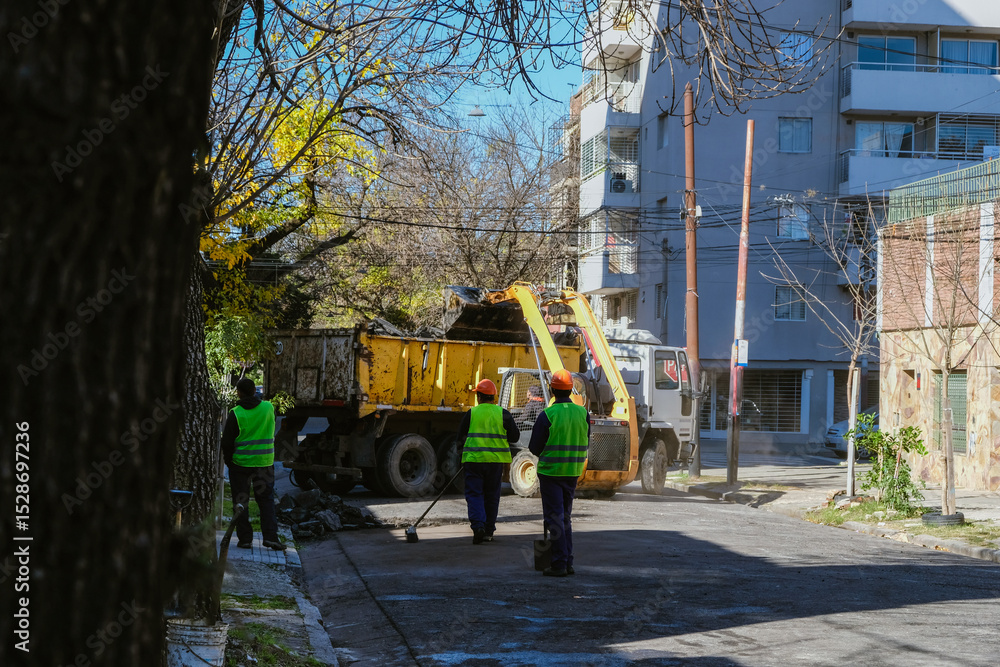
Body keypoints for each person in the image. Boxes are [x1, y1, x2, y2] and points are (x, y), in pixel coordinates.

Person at [528, 369, 590, 577]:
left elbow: (534, 448)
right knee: (564, 517)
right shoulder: (583, 413)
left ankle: (559, 563)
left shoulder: (548, 415)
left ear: (552, 389)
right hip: (572, 472)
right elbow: (585, 438)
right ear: (571, 389)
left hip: (551, 473)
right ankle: (567, 561)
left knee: (555, 518)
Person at [222, 377, 286, 550]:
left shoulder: (236, 413)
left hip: (240, 464)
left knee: (240, 502)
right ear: (254, 391)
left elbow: (227, 442)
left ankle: (245, 539)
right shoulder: (268, 408)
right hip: (264, 463)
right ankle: (271, 537)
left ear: (239, 393)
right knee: (266, 500)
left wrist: (229, 461)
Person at [457, 378, 520, 544]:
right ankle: (488, 531)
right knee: (492, 496)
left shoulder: (471, 413)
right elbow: (515, 437)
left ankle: (478, 526)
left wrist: (461, 457)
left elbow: (460, 438)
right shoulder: (503, 414)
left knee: (474, 494)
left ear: (479, 397)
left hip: (474, 462)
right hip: (495, 463)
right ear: (493, 397)